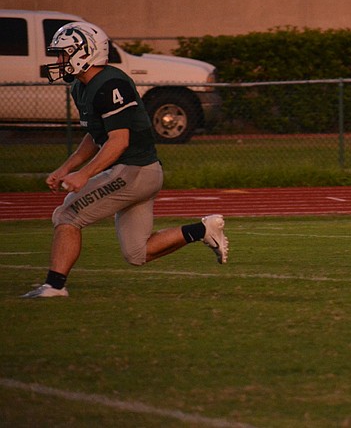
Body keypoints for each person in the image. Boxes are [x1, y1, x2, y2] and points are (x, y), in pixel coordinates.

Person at [21, 22, 229, 298]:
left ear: (85, 52)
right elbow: (96, 136)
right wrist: (66, 167)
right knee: (137, 253)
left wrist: (84, 174)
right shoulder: (81, 86)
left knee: (68, 215)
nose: (59, 60)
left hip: (135, 170)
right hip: (138, 172)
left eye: (64, 53)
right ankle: (202, 229)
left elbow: (119, 140)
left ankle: (55, 286)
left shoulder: (111, 85)